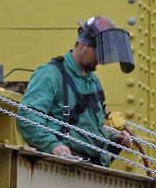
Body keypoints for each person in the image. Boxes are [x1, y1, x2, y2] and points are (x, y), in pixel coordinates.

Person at [18, 16, 135, 166]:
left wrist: (113, 139)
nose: (100, 60)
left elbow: (90, 130)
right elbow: (27, 117)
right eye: (98, 52)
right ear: (82, 43)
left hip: (92, 167)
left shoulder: (94, 82)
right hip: (62, 167)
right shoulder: (51, 74)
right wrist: (53, 146)